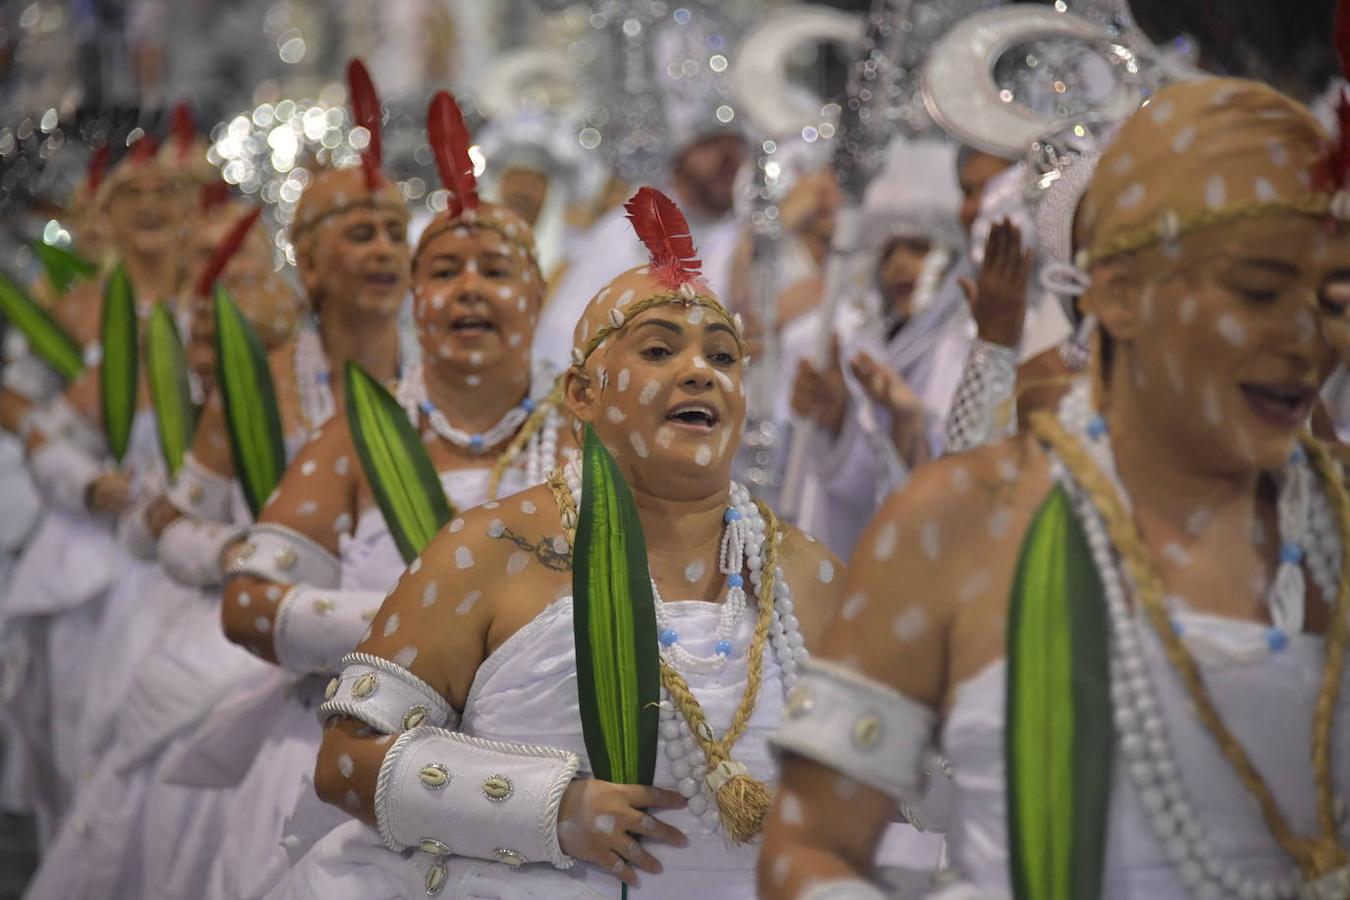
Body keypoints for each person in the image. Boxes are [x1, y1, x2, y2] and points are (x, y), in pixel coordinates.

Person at [761, 76, 1350, 900]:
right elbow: (809, 850)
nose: (1306, 338)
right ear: (1114, 293)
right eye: (1258, 291)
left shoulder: (1333, 527)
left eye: (1331, 295)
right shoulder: (962, 516)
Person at [269, 187, 840, 899]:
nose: (701, 372)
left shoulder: (804, 571)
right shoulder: (493, 548)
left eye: (723, 357)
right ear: (582, 394)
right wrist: (551, 810)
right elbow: (345, 764)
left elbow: (890, 770)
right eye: (659, 349)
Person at [192, 89, 568, 900]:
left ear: (536, 298)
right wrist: (427, 636)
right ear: (415, 299)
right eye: (444, 270)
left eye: (497, 271)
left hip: (543, 784)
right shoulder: (359, 436)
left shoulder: (585, 437)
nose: (470, 288)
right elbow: (248, 604)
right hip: (358, 760)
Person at [785, 140, 971, 560]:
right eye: (889, 252)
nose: (900, 266)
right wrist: (836, 419)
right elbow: (856, 496)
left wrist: (910, 424)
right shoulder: (863, 348)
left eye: (919, 248)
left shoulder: (964, 348)